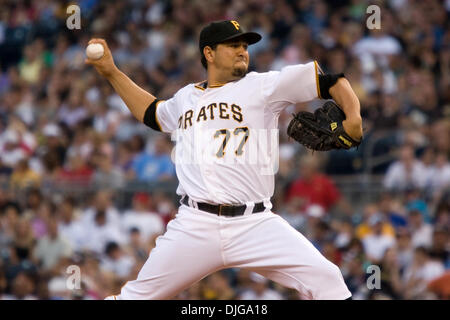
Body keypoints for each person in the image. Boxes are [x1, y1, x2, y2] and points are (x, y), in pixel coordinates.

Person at [86, 20, 362, 300]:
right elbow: (152, 113)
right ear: (209, 53)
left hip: (255, 224)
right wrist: (111, 72)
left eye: (245, 46)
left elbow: (330, 81)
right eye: (233, 45)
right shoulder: (185, 97)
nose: (243, 51)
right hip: (195, 224)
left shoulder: (263, 86)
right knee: (134, 297)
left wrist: (353, 117)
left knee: (329, 281)